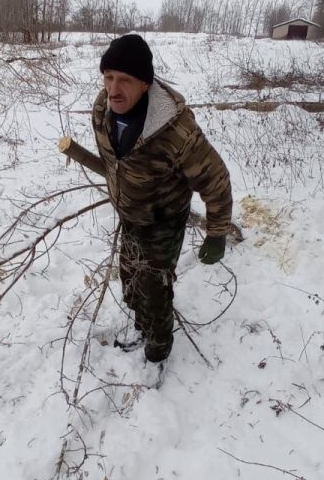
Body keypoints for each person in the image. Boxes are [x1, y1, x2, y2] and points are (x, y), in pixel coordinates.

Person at [92, 33, 233, 364]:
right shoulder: (102, 109)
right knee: (129, 278)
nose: (113, 89)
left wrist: (216, 234)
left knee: (155, 291)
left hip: (163, 222)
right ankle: (140, 327)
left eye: (124, 80)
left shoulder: (175, 131)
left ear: (145, 83)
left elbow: (216, 181)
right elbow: (115, 159)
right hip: (130, 215)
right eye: (108, 77)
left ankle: (158, 352)